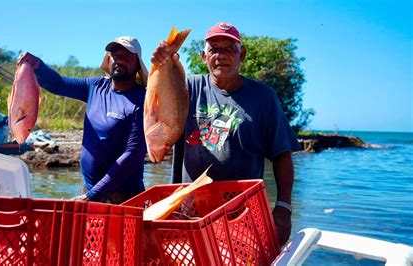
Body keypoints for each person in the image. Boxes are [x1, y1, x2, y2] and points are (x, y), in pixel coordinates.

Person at [151, 22, 300, 246]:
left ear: (243, 54)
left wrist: (284, 207)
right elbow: (151, 99)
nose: (221, 55)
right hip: (188, 213)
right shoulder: (188, 88)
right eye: (214, 49)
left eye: (229, 48)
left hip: (242, 214)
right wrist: (160, 64)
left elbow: (282, 154)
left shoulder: (263, 97)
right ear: (203, 56)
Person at [17, 36, 148, 204]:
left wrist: (93, 194)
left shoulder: (143, 100)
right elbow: (59, 84)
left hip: (123, 197)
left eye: (127, 56)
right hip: (88, 189)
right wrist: (37, 65)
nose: (119, 60)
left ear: (138, 64)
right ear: (109, 59)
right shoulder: (95, 86)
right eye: (115, 55)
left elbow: (133, 155)